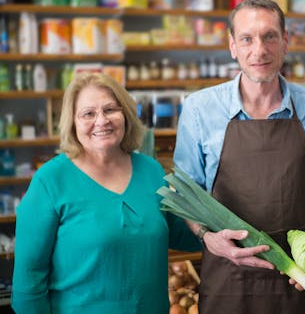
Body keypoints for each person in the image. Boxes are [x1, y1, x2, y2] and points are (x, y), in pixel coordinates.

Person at [173, 0, 305, 314]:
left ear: (285, 42)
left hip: (298, 278)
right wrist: (208, 237)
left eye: (269, 37)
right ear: (232, 45)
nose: (259, 50)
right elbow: (186, 194)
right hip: (228, 276)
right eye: (247, 39)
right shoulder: (200, 109)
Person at [11, 72, 201, 313]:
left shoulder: (150, 169)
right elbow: (29, 282)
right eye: (88, 113)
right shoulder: (50, 181)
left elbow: (179, 232)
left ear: (126, 115)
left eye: (110, 109)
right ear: (72, 122)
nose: (102, 121)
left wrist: (222, 222)